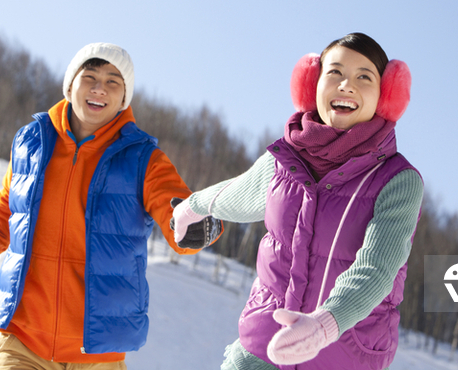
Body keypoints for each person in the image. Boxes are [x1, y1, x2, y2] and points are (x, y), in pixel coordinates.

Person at [172, 33, 424, 370]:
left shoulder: (397, 181)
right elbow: (235, 193)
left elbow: (378, 268)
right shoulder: (284, 161)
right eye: (335, 72)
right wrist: (191, 208)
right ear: (312, 84)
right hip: (260, 352)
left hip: (340, 359)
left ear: (385, 96)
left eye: (364, 77)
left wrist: (324, 325)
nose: (347, 85)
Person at [0, 42, 221, 369]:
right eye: (90, 77)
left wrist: (193, 226)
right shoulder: (33, 141)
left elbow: (174, 209)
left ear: (124, 98)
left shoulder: (143, 159)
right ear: (70, 84)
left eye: (113, 81)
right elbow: (10, 207)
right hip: (24, 341)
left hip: (98, 355)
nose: (100, 88)